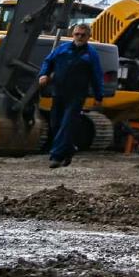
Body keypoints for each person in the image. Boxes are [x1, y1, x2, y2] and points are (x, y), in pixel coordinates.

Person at [37, 23, 104, 168]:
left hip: (77, 95)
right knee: (56, 124)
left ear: (88, 37)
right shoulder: (62, 49)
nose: (79, 37)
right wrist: (44, 74)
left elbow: (97, 76)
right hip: (59, 92)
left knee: (67, 124)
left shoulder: (91, 54)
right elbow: (48, 61)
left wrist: (99, 96)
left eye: (83, 35)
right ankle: (69, 150)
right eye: (77, 34)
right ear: (72, 34)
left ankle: (56, 156)